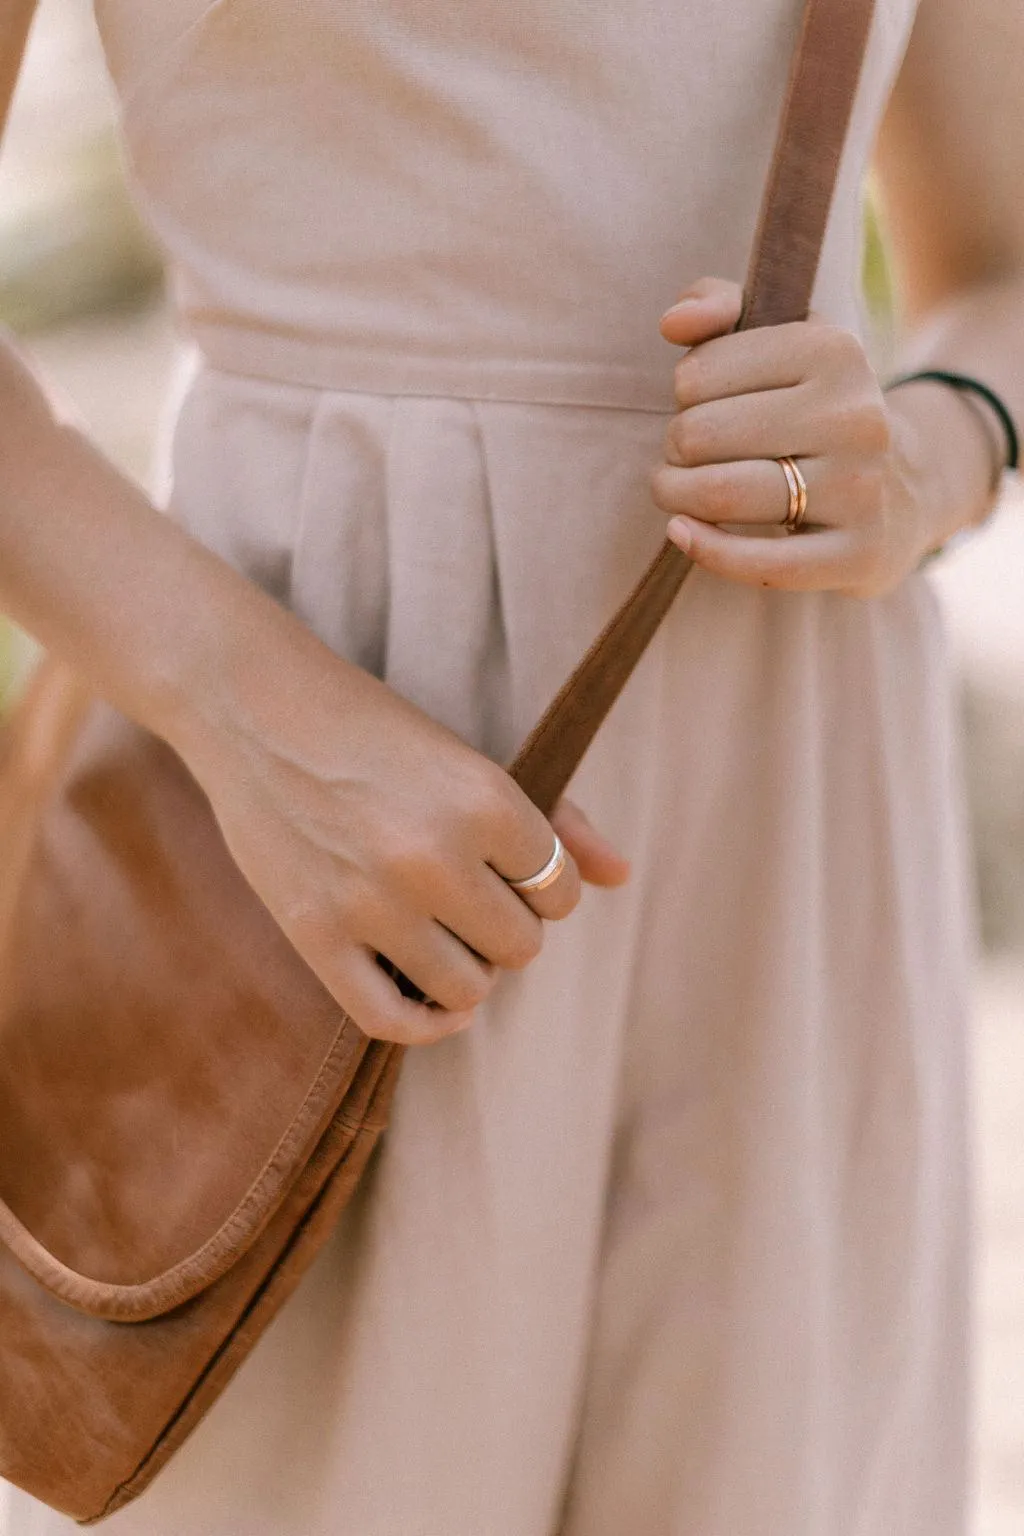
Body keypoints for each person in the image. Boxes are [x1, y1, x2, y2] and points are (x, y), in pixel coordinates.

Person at [0, 0, 1021, 1531]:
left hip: (794, 818)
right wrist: (252, 722)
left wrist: (932, 452)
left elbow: (1001, 266)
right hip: (311, 804)